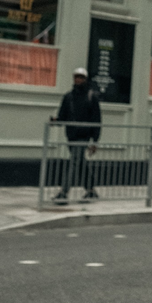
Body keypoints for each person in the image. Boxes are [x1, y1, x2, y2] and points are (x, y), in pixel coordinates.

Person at [52, 67, 101, 204]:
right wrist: (55, 121)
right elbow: (63, 116)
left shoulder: (92, 97)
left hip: (83, 136)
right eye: (76, 77)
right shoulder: (68, 97)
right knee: (80, 163)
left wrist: (94, 141)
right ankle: (91, 190)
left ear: (85, 79)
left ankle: (64, 192)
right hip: (71, 135)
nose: (78, 80)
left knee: (74, 161)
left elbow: (97, 120)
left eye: (81, 77)